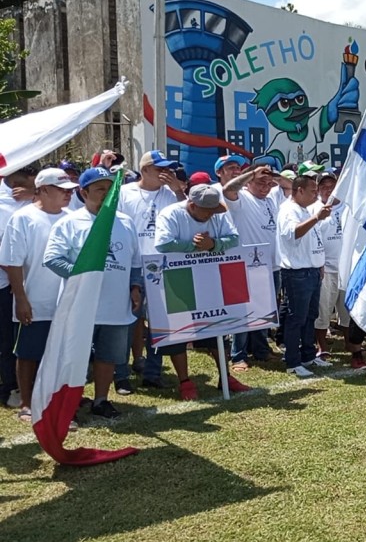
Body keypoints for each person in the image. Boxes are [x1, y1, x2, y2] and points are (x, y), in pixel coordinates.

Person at [44, 168, 142, 419]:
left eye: (111, 189)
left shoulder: (125, 222)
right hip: (80, 307)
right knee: (73, 358)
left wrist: (135, 287)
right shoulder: (69, 222)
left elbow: (135, 262)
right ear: (83, 192)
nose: (107, 194)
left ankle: (101, 400)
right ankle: (70, 404)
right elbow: (53, 259)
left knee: (108, 357)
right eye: (100, 190)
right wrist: (84, 277)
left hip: (115, 307)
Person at [153, 184, 248, 399]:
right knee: (179, 330)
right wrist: (194, 246)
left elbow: (234, 238)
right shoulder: (170, 214)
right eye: (207, 210)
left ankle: (225, 376)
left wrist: (213, 244)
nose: (212, 215)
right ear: (192, 205)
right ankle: (185, 382)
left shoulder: (218, 214)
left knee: (218, 324)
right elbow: (163, 244)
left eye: (215, 210)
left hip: (210, 277)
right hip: (177, 279)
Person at [0, 168, 76, 423]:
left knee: (62, 353)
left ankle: (57, 399)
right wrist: (21, 299)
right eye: (62, 190)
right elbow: (12, 262)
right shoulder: (23, 218)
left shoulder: (73, 218)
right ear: (43, 190)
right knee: (28, 353)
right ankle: (26, 401)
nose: (68, 195)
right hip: (34, 299)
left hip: (66, 300)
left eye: (70, 191)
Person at [117, 150, 184, 391]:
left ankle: (153, 373)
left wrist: (178, 189)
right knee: (127, 323)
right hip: (132, 265)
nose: (166, 174)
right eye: (160, 169)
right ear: (145, 170)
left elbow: (188, 214)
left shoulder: (171, 193)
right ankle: (121, 374)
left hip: (163, 267)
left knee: (160, 324)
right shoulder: (125, 193)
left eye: (169, 169)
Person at [223, 165, 282, 369]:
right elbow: (228, 190)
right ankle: (238, 355)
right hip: (247, 264)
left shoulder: (271, 200)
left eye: (269, 183)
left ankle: (261, 350)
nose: (265, 186)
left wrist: (271, 175)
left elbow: (291, 186)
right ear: (248, 182)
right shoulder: (242, 199)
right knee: (243, 310)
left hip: (271, 265)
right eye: (260, 182)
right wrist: (251, 174)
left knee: (264, 310)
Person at [278, 175, 331, 377]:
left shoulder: (305, 209)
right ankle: (292, 360)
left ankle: (308, 355)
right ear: (299, 190)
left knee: (310, 316)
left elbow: (313, 239)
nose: (315, 194)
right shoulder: (288, 210)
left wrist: (319, 263)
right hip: (296, 272)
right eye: (312, 191)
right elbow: (293, 234)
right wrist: (317, 218)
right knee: (296, 318)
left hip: (311, 269)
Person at [0, 166, 36, 409]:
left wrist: (34, 194)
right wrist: (16, 278)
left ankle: (23, 388)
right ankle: (10, 388)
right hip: (7, 284)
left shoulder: (32, 199)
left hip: (24, 283)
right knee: (6, 340)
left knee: (18, 338)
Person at [311, 170, 350, 360]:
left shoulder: (346, 207)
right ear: (317, 189)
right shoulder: (315, 209)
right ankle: (322, 344)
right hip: (325, 267)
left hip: (346, 266)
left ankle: (351, 343)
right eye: (323, 187)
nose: (328, 190)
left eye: (331, 186)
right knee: (323, 309)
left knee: (347, 309)